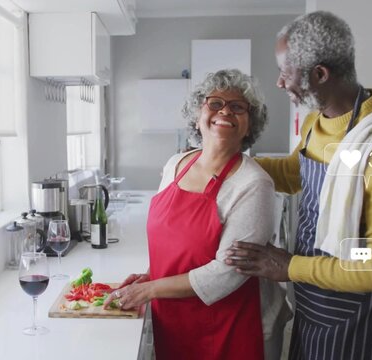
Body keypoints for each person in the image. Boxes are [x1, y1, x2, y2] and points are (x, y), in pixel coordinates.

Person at [225, 11, 372, 360]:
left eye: (285, 72)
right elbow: (295, 174)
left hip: (364, 320)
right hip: (316, 305)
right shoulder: (317, 122)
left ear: (319, 75)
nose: (279, 83)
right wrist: (223, 160)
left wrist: (290, 267)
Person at [105, 69, 290, 360]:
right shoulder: (176, 164)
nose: (225, 111)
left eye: (238, 107)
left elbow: (226, 274)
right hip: (175, 316)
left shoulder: (253, 184)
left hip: (230, 325)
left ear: (249, 125)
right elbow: (174, 243)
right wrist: (152, 276)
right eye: (214, 103)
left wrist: (150, 289)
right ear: (197, 115)